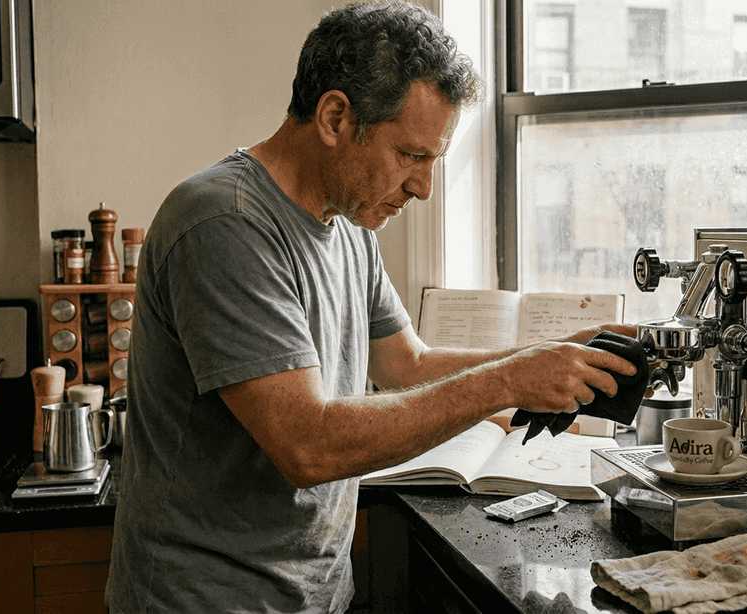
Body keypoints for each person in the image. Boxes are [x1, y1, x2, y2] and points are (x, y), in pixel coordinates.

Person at [105, 2, 639, 612]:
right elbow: (307, 445)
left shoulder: (351, 225)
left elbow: (407, 365)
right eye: (412, 156)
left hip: (315, 593)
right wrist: (512, 380)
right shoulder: (224, 222)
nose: (424, 186)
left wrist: (553, 355)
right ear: (335, 117)